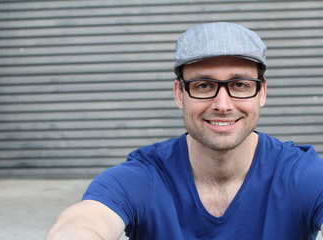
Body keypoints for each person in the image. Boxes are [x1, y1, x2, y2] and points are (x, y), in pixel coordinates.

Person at [45, 22, 323, 240]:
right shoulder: (146, 176)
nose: (223, 105)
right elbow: (83, 222)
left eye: (240, 84)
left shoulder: (298, 174)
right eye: (203, 85)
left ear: (261, 92)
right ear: (180, 93)